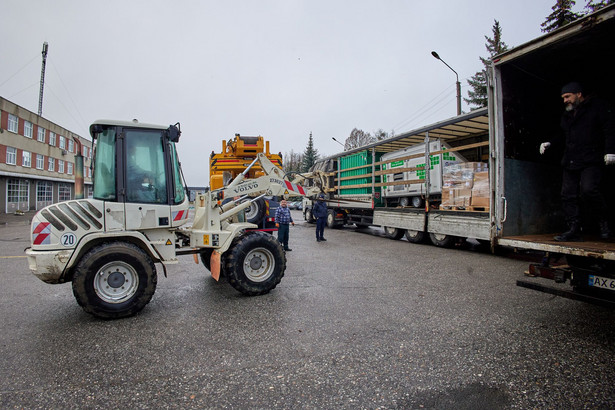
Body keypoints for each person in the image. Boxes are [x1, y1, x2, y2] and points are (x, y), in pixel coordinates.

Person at [540, 81, 615, 241]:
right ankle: (573, 228)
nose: (565, 100)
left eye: (567, 96)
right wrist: (550, 142)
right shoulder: (567, 115)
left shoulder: (597, 108)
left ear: (578, 94)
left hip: (591, 158)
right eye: (563, 98)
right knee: (567, 195)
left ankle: (604, 224)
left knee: (588, 190)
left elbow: (609, 129)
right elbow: (562, 134)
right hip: (571, 160)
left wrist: (610, 150)